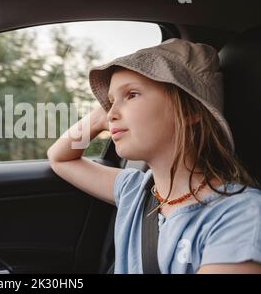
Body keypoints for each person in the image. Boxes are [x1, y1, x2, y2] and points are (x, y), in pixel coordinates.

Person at [47, 38, 261, 274]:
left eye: (132, 94)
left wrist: (112, 108)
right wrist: (102, 115)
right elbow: (60, 157)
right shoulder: (135, 190)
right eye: (109, 103)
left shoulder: (240, 216)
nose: (111, 114)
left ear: (190, 110)